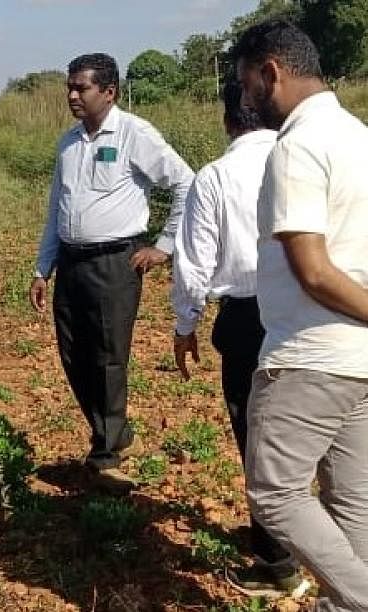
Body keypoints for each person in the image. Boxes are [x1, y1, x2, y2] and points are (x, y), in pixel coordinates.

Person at [231, 20, 368, 612]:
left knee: (275, 493)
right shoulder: (358, 136)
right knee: (354, 503)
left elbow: (313, 270)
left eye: (246, 85)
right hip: (358, 359)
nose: (245, 100)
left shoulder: (298, 146)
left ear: (272, 72)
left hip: (310, 355)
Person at [28, 53, 194, 492]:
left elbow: (185, 182)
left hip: (114, 263)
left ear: (109, 92)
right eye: (70, 87)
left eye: (81, 88)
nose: (72, 95)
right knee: (73, 354)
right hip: (71, 262)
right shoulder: (68, 143)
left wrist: (164, 246)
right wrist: (43, 267)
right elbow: (56, 211)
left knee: (107, 357)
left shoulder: (134, 134)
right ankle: (115, 432)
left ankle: (106, 455)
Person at [169, 80, 308, 598]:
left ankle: (278, 564)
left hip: (250, 321)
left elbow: (195, 265)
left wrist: (185, 326)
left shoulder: (216, 177)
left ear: (229, 121)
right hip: (317, 309)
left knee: (259, 441)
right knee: (313, 435)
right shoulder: (306, 159)